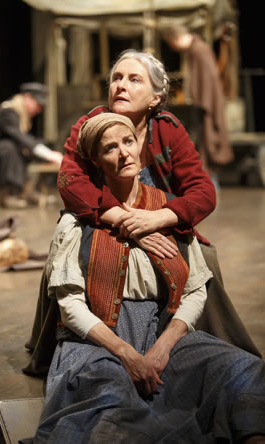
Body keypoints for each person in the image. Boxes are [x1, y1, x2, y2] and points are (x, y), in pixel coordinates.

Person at [31, 114, 265, 444]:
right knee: (108, 398)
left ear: (140, 145)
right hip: (97, 342)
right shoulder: (78, 221)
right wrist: (126, 353)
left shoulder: (168, 211)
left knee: (240, 370)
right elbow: (70, 307)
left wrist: (163, 347)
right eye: (110, 148)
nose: (124, 152)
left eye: (128, 142)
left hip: (163, 336)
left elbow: (196, 290)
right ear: (97, 160)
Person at [54, 48, 260, 358]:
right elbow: (70, 182)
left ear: (155, 97)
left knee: (204, 260)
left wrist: (158, 218)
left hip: (159, 218)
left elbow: (202, 191)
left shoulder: (168, 130)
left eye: (134, 79)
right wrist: (128, 222)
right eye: (117, 78)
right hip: (101, 221)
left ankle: (190, 341)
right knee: (69, 261)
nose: (121, 85)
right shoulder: (91, 125)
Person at [0, 82, 63, 209]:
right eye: (38, 104)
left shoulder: (21, 114)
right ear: (27, 97)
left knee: (29, 146)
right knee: (9, 147)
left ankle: (29, 190)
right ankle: (8, 194)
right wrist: (49, 155)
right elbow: (20, 137)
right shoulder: (8, 111)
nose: (39, 109)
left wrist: (46, 154)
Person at [163, 25, 234, 186]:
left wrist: (203, 103)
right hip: (203, 102)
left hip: (207, 103)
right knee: (203, 140)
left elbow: (209, 79)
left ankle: (210, 183)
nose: (173, 48)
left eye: (172, 44)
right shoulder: (194, 50)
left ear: (176, 38)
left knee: (209, 139)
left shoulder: (199, 50)